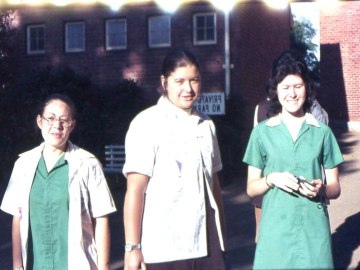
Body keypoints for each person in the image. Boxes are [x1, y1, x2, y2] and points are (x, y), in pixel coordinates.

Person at [122, 49, 226, 270]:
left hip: (207, 244)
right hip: (164, 248)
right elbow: (135, 189)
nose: (188, 89)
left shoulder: (206, 125)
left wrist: (222, 237)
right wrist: (132, 247)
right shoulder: (146, 123)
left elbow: (214, 184)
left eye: (194, 80)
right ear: (164, 82)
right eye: (179, 81)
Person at [243, 50, 344, 269]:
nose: (292, 94)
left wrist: (322, 189)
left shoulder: (322, 132)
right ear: (276, 91)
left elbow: (335, 187)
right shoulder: (261, 133)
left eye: (298, 86)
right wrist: (271, 179)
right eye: (285, 87)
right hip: (275, 231)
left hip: (313, 231)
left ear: (307, 89)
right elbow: (251, 188)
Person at [1, 93, 117, 270]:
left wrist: (104, 267)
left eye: (64, 120)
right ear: (39, 121)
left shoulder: (87, 163)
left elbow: (101, 218)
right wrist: (17, 265)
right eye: (51, 118)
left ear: (72, 125)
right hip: (35, 264)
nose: (57, 125)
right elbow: (18, 217)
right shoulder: (23, 164)